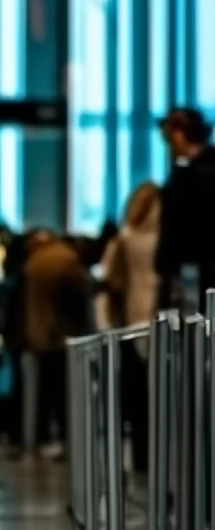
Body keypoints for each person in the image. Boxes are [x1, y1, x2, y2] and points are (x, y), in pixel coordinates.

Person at [96, 181, 160, 474]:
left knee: (138, 399)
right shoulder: (168, 239)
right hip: (166, 317)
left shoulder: (124, 240)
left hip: (133, 320)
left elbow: (109, 284)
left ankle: (142, 460)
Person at [21, 231, 91, 456]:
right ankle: (64, 437)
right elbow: (78, 297)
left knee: (42, 390)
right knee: (63, 391)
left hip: (38, 333)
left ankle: (40, 438)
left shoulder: (32, 263)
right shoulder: (66, 260)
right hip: (62, 333)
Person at [156, 108, 215, 309]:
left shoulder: (192, 175)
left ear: (180, 135)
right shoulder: (190, 170)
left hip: (194, 266)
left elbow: (177, 224)